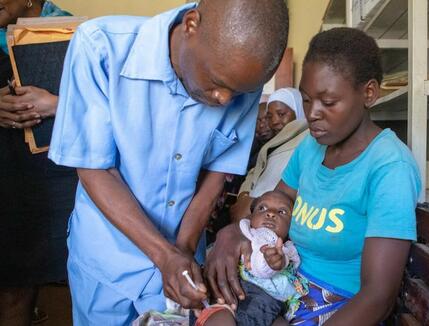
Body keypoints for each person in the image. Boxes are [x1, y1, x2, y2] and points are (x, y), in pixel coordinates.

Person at [48, 0, 289, 324]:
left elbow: (216, 177)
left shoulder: (241, 77)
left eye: (237, 92)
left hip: (184, 258)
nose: (224, 100)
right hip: (107, 261)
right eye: (217, 82)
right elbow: (96, 168)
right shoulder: (100, 46)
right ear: (190, 25)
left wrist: (183, 251)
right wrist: (165, 256)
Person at [206, 27, 421, 325]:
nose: (313, 114)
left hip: (336, 309)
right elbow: (275, 204)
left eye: (328, 102)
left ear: (369, 93)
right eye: (307, 100)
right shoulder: (311, 146)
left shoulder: (389, 167)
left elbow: (378, 297)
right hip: (284, 289)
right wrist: (232, 232)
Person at [0, 1, 74, 325]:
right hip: (7, 173)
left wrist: (56, 105)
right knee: (13, 285)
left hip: (55, 176)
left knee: (69, 281)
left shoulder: (74, 33)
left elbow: (103, 105)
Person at [194, 190, 307, 326]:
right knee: (222, 320)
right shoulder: (246, 235)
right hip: (232, 300)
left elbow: (290, 266)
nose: (270, 213)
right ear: (251, 216)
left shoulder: (288, 250)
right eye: (262, 208)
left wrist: (281, 260)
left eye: (282, 212)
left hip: (269, 309)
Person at [231, 87, 309, 221]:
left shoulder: (306, 140)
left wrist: (249, 203)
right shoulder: (273, 143)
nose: (274, 121)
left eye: (281, 114)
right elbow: (254, 173)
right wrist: (244, 196)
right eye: (269, 116)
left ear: (299, 111)